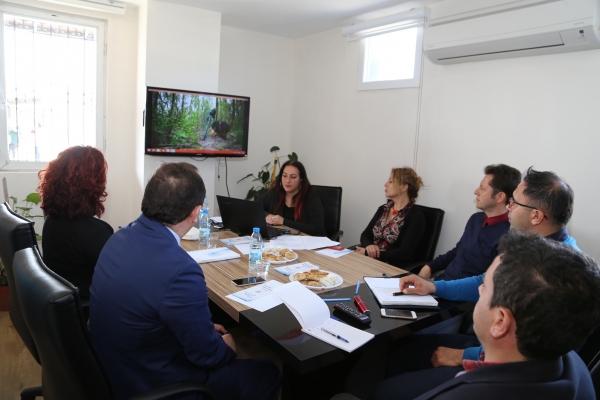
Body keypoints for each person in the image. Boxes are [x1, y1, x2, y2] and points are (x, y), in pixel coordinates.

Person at [371, 167, 582, 399]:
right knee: (403, 352)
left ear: (536, 216)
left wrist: (462, 355)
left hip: (505, 367)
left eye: (514, 203)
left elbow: (527, 355)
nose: (509, 207)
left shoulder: (551, 273)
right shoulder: (532, 247)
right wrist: (434, 286)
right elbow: (484, 280)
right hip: (491, 346)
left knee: (384, 391)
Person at [90, 162, 281, 400]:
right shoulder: (181, 271)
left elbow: (150, 307)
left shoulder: (118, 237)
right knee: (268, 372)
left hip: (113, 367)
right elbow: (208, 357)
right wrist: (226, 347)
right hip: (154, 384)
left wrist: (202, 329)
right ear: (195, 213)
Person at [370, 230, 600, 400]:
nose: (478, 289)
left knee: (382, 392)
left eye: (485, 287)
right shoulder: (572, 363)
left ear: (500, 322)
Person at [419, 164, 521, 281]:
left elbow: (488, 282)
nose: (476, 192)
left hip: (458, 291)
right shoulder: (476, 219)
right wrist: (430, 266)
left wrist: (438, 287)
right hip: (441, 283)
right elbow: (457, 252)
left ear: (500, 196)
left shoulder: (510, 235)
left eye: (482, 188)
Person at [38, 145, 113, 300]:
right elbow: (118, 275)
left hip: (65, 301)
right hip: (89, 304)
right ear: (93, 185)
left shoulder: (52, 220)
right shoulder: (94, 231)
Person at [355, 167, 426, 268]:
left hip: (391, 267)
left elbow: (404, 253)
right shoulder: (383, 209)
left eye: (391, 181)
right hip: (370, 261)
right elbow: (365, 234)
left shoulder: (416, 216)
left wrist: (368, 253)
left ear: (404, 187)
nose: (385, 184)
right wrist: (369, 246)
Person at [255, 159, 326, 236]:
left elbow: (318, 229)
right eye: (284, 176)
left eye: (293, 177)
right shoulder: (275, 193)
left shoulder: (311, 198)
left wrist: (283, 222)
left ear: (301, 179)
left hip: (305, 241)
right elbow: (253, 207)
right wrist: (267, 215)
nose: (287, 180)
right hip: (281, 239)